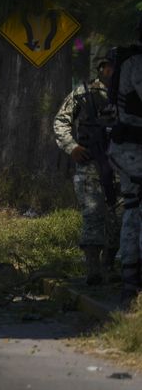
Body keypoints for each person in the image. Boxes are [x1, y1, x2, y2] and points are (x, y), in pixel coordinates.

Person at [54, 55, 120, 285]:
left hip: (122, 164)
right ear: (101, 68)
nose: (109, 71)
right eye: (106, 67)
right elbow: (61, 121)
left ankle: (110, 265)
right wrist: (72, 147)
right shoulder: (83, 92)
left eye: (113, 66)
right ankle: (93, 268)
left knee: (119, 215)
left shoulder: (129, 93)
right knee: (93, 214)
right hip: (91, 161)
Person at [107, 17, 142, 305]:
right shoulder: (137, 64)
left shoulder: (130, 62)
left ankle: (130, 279)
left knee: (133, 208)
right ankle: (132, 279)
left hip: (130, 149)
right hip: (134, 151)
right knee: (135, 209)